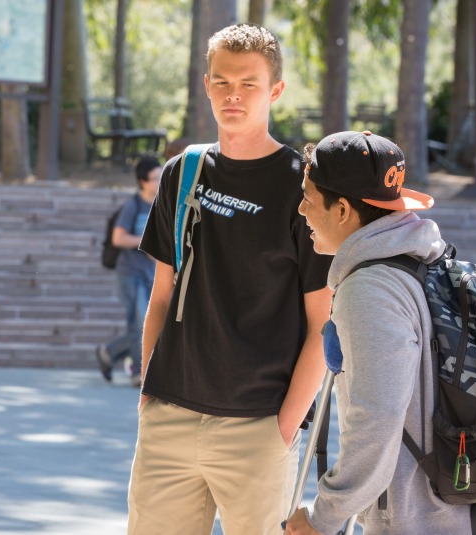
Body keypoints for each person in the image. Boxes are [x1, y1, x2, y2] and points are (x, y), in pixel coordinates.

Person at [127, 24, 333, 535]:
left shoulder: (301, 187)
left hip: (259, 427)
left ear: (275, 91)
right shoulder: (183, 172)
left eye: (249, 84)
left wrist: (284, 429)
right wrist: (150, 395)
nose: (233, 96)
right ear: (206, 85)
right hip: (169, 418)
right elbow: (161, 297)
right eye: (222, 83)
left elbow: (323, 326)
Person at [284, 130, 476, 534]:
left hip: (419, 523)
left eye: (309, 199)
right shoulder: (420, 262)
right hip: (458, 515)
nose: (301, 210)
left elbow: (376, 418)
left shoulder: (371, 289)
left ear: (344, 210)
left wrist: (324, 517)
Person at [96, 156, 162, 387]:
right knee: (140, 322)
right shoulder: (132, 206)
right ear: (143, 181)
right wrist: (145, 241)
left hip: (151, 273)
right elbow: (118, 238)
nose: (160, 182)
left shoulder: (162, 205)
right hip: (130, 272)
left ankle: (109, 352)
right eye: (155, 178)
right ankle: (139, 373)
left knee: (148, 322)